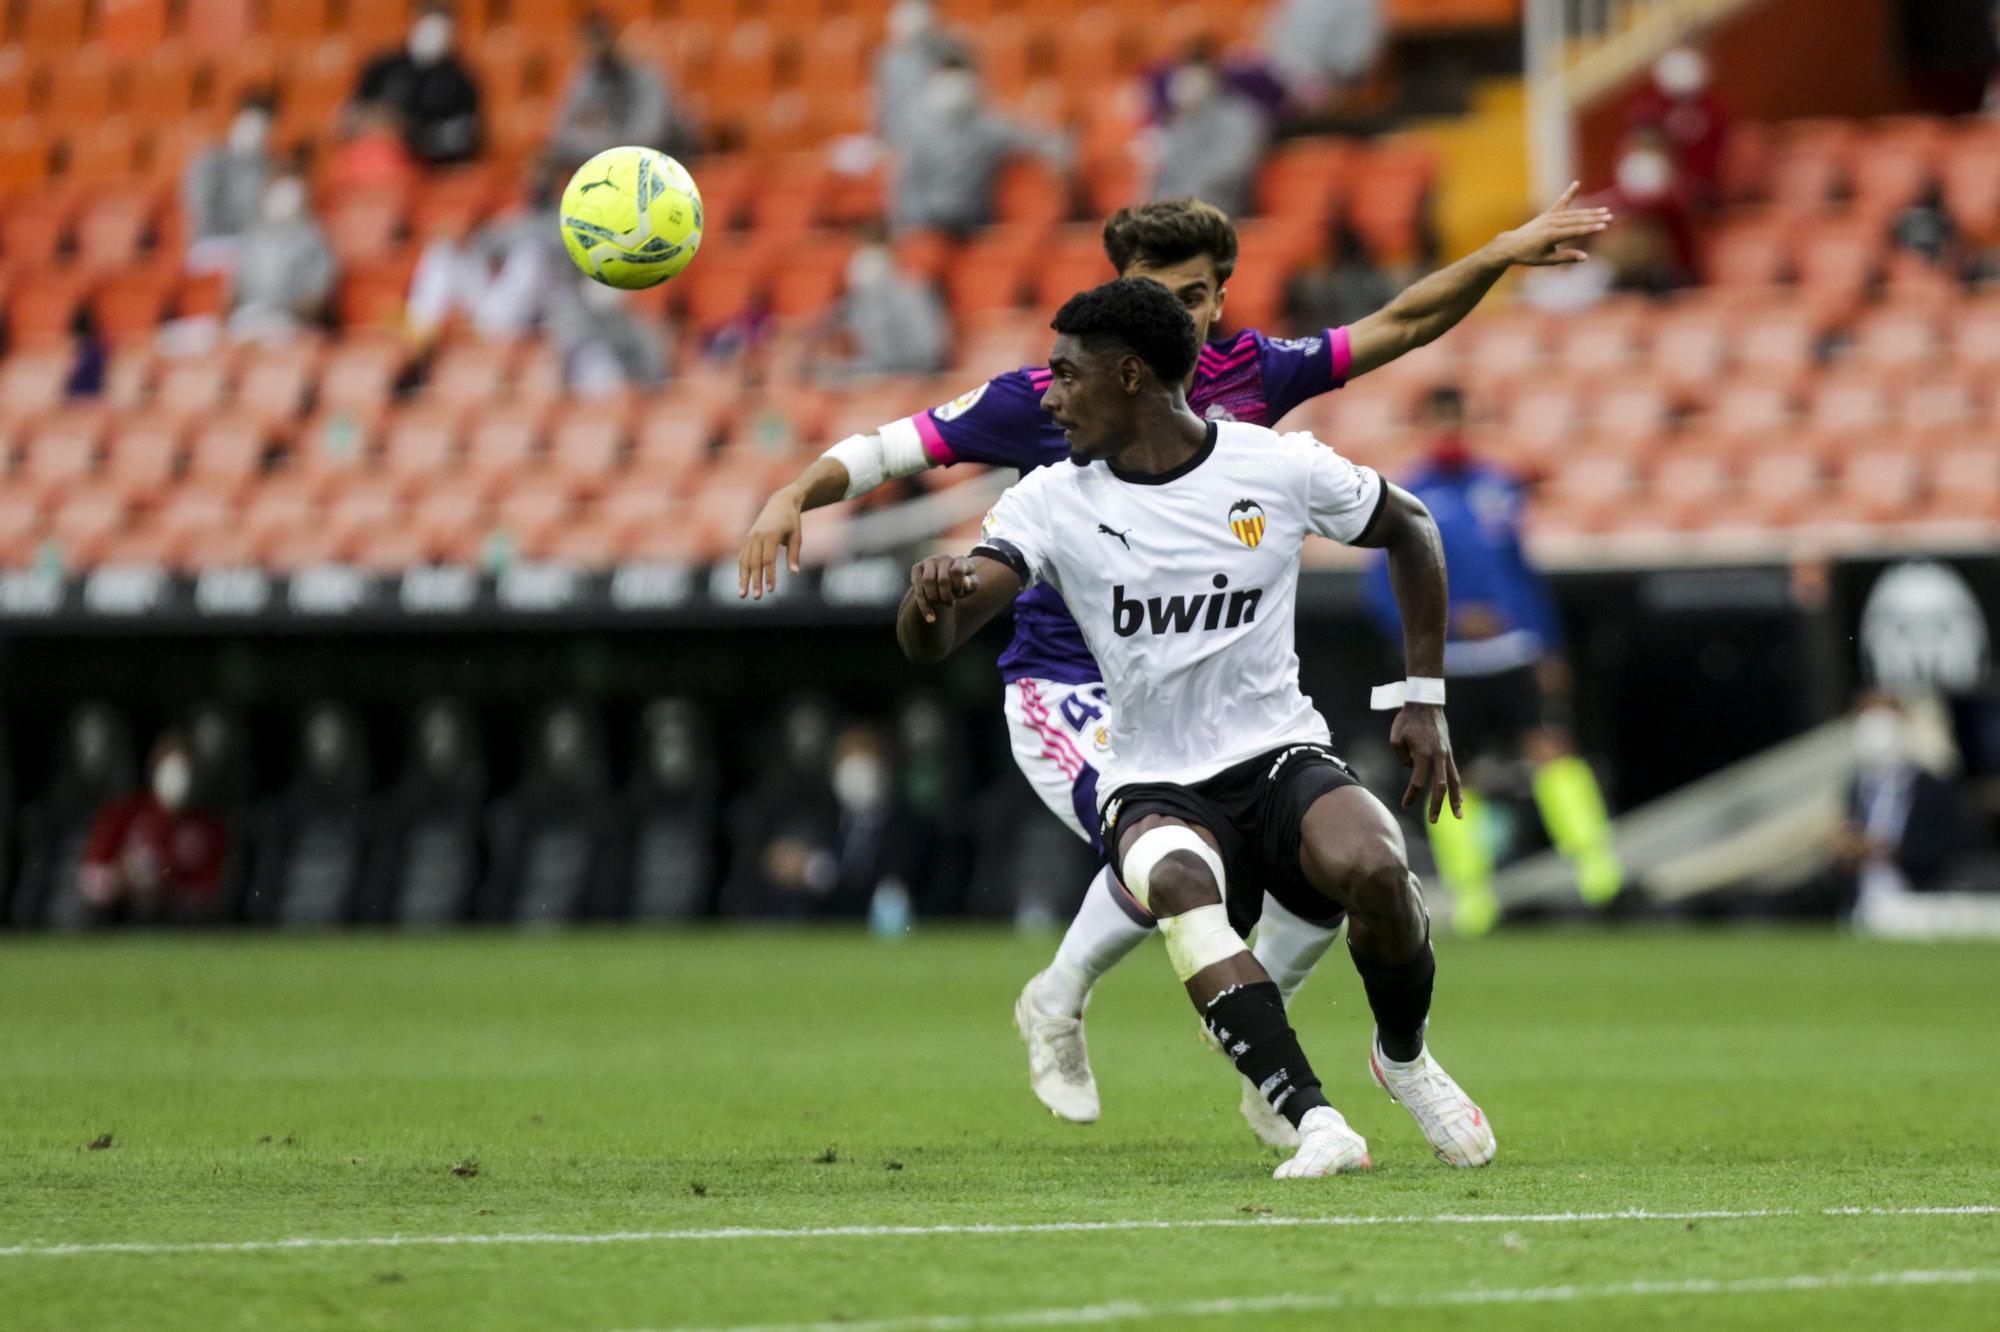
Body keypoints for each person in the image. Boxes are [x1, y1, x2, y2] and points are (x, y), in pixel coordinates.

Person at [739, 189, 1608, 1133]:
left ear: (1221, 300)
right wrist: (793, 491)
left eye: (1198, 295)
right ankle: (1061, 998)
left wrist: (1500, 251)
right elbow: (890, 448)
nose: (1183, 317)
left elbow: (1400, 324)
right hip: (1073, 688)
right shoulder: (1051, 398)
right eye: (1162, 295)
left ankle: (1254, 1031)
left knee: (1325, 868)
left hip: (1218, 692)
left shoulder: (1248, 377)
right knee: (1168, 866)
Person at [898, 277, 1491, 1177]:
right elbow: (942, 635)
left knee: (1375, 865)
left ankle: (1402, 1059)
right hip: (1151, 780)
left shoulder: (1273, 466)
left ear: (1130, 376)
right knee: (1177, 882)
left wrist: (1424, 697)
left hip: (1279, 752)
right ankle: (1314, 1117)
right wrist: (927, 601)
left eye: (1064, 376)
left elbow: (1410, 527)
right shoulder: (1049, 500)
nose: (1047, 399)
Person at [1365, 386, 1623, 934]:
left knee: (1552, 751)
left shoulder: (1498, 486)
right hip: (1451, 660)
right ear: (1421, 429)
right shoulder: (1405, 497)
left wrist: (1547, 643)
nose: (1450, 432)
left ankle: (1600, 878)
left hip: (1512, 654)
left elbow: (1521, 572)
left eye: (1457, 419)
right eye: (1439, 422)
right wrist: (1444, 626)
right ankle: (1475, 899)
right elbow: (1381, 588)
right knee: (1458, 774)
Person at [888, 49, 1065, 236]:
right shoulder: (919, 132)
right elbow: (907, 183)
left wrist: (1058, 156)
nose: (951, 89)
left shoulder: (988, 128)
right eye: (945, 81)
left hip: (973, 221)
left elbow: (1038, 139)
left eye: (956, 81)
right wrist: (905, 227)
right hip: (929, 223)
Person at [77, 730, 228, 923]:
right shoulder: (126, 812)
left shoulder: (208, 826)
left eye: (185, 770)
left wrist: (166, 887)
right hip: (119, 915)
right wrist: (119, 879)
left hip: (176, 922)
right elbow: (89, 876)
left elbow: (212, 892)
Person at [350, 2, 481, 166]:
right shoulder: (383, 68)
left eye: (441, 26)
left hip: (431, 169)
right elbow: (350, 117)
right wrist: (377, 121)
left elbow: (467, 137)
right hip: (377, 164)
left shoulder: (461, 81)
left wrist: (414, 135)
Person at [550, 12, 688, 166]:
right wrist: (608, 144)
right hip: (606, 163)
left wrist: (598, 138)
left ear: (616, 40)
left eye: (602, 40)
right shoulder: (584, 79)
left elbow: (649, 136)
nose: (598, 50)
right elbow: (563, 135)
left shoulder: (646, 74)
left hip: (657, 165)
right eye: (591, 44)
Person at [1147, 51, 1269, 220]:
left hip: (1219, 209)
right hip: (1176, 210)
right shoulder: (1182, 121)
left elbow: (1229, 169)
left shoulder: (1239, 116)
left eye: (1193, 77)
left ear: (1211, 78)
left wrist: (1182, 201)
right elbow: (1165, 170)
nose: (1186, 84)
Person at [228, 172, 336, 343]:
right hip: (249, 317)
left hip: (290, 321)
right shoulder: (253, 237)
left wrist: (296, 316)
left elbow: (316, 294)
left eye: (290, 196)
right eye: (278, 196)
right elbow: (236, 288)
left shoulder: (314, 240)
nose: (283, 203)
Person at [183, 93, 276, 274]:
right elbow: (201, 211)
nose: (258, 133)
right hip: (214, 241)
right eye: (252, 124)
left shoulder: (268, 165)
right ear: (239, 121)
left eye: (264, 127)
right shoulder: (211, 160)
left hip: (255, 243)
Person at [833, 238, 950, 377]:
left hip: (917, 370)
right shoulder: (859, 301)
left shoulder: (913, 291)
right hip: (881, 369)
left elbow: (929, 348)